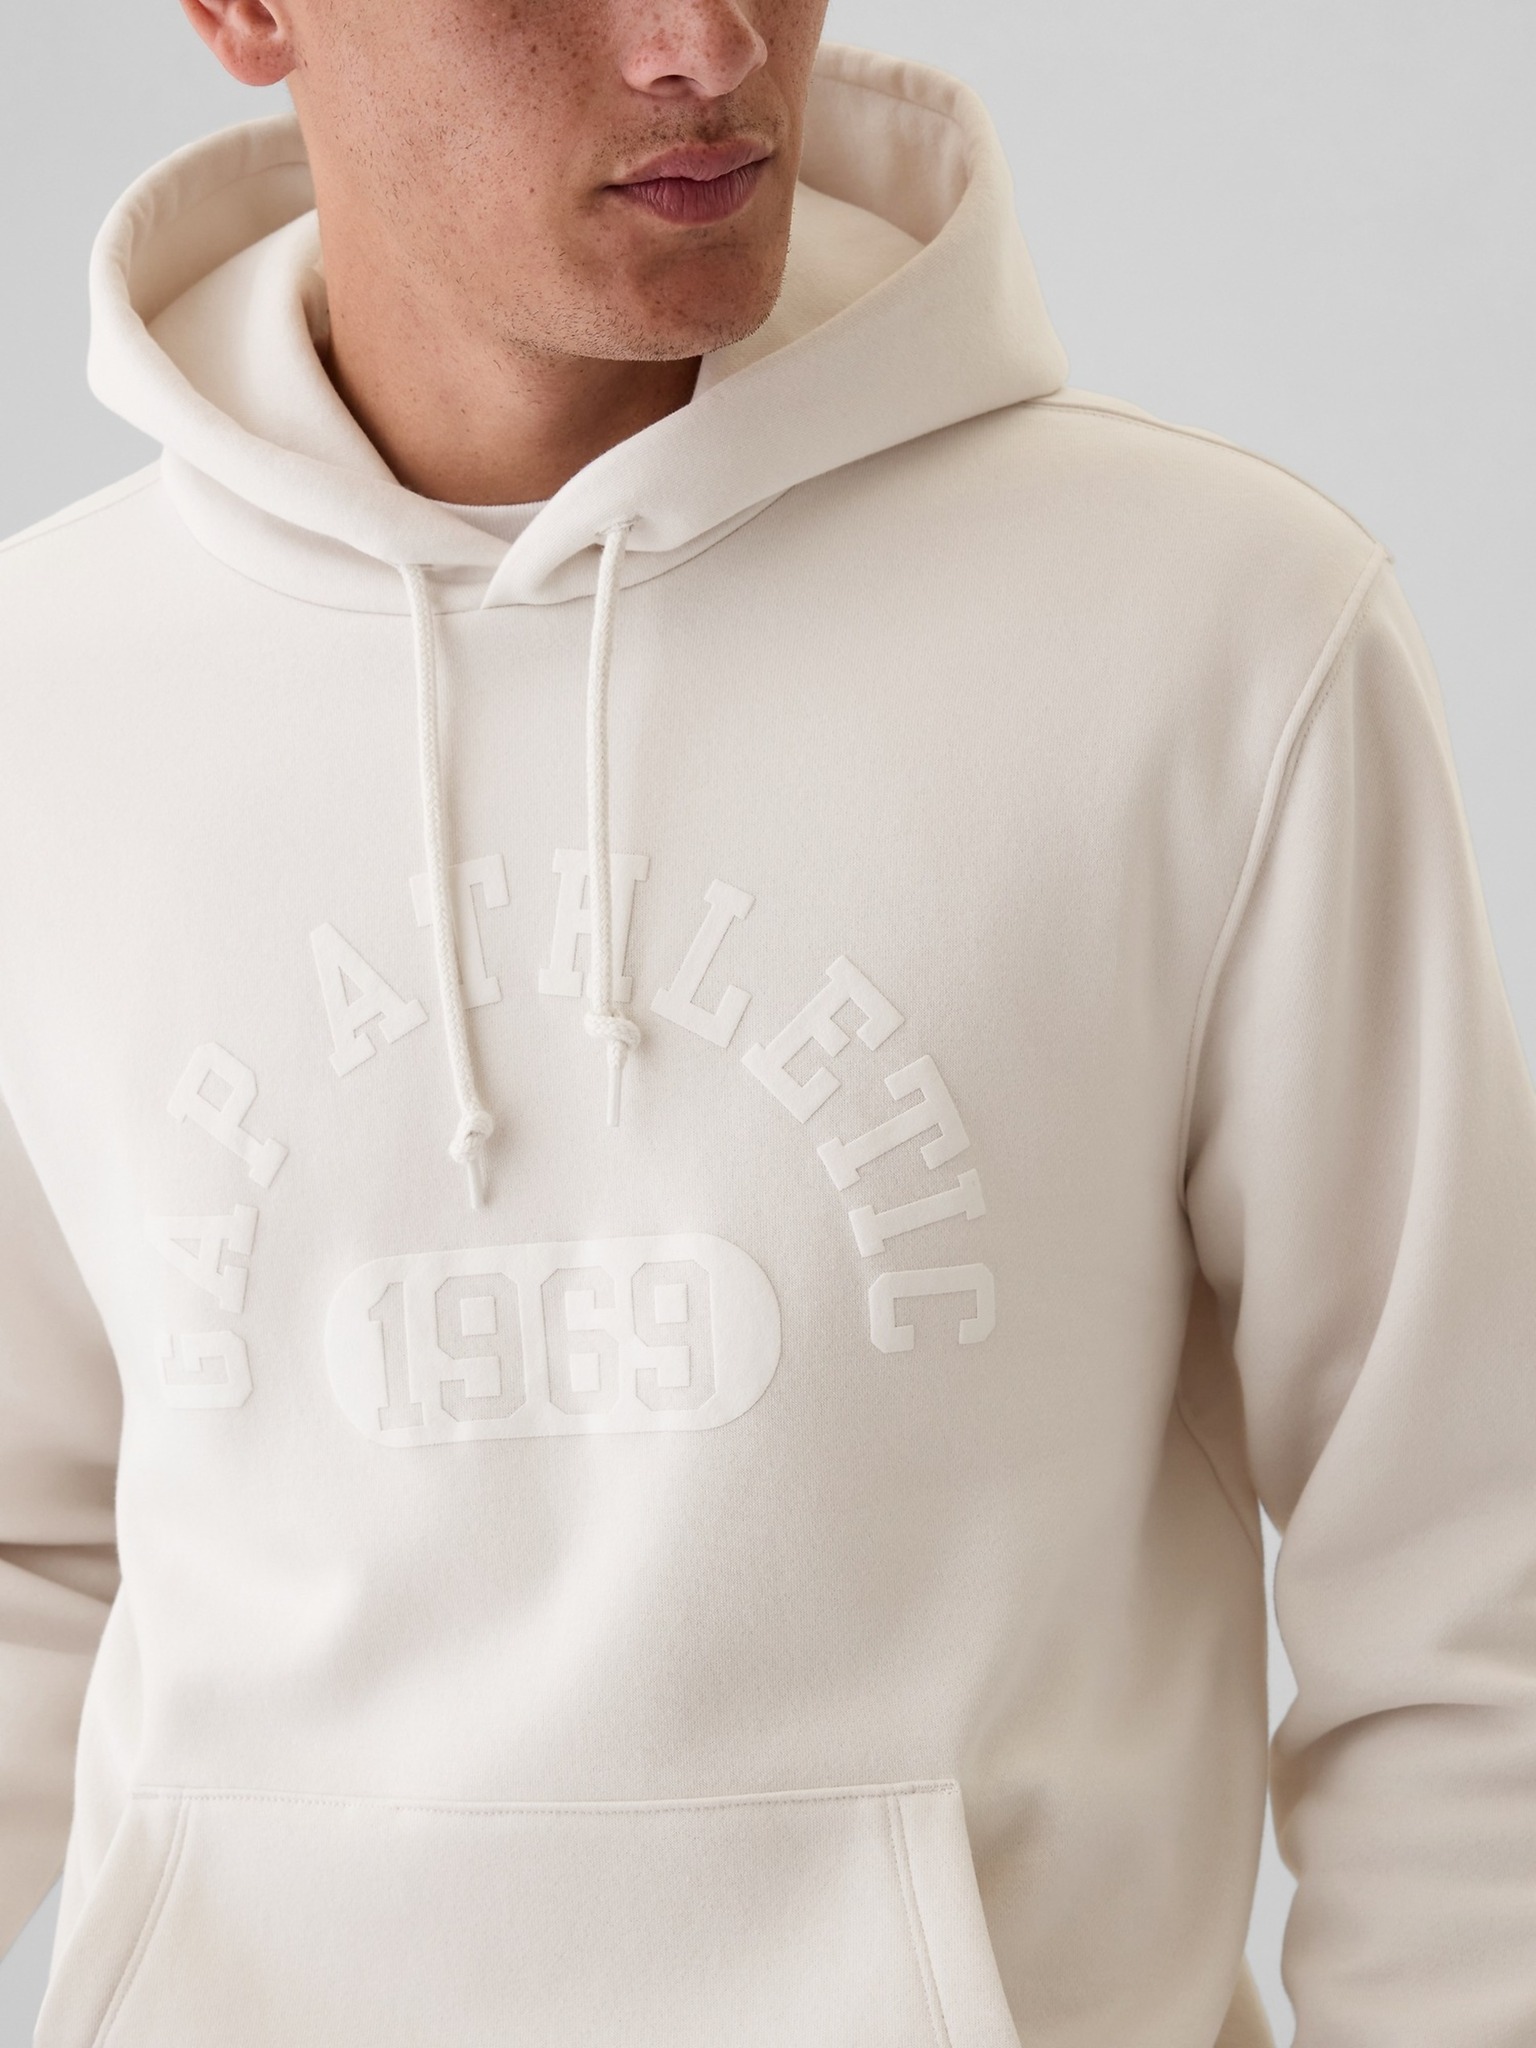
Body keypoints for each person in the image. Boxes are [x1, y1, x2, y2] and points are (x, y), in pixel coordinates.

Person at [1, 2, 1532, 2043]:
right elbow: (25, 1547)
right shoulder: (47, 704)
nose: (708, 41)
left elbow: (1467, 1586)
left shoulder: (1217, 637)